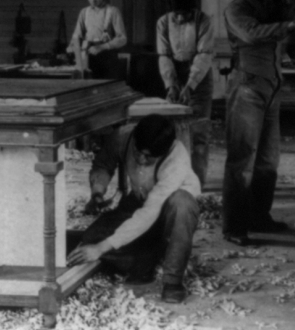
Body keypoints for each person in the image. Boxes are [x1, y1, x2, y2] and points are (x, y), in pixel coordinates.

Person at [222, 0, 295, 246]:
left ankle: (259, 216)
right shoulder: (237, 8)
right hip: (247, 88)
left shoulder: (276, 5)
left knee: (268, 161)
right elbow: (253, 34)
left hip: (272, 87)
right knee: (242, 160)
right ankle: (234, 226)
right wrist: (293, 26)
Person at [67, 114, 200, 304]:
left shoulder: (176, 160)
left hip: (169, 209)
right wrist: (97, 192)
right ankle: (152, 250)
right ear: (135, 138)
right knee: (90, 238)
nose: (142, 160)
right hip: (140, 199)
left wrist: (101, 248)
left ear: (164, 151)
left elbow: (149, 213)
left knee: (182, 204)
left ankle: (173, 280)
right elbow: (103, 163)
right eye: (139, 153)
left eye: (150, 158)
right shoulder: (123, 136)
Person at [156, 0, 215, 187]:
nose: (180, 17)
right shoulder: (163, 22)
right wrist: (171, 84)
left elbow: (205, 54)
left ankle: (197, 182)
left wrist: (191, 85)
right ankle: (176, 178)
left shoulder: (204, 21)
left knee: (198, 130)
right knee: (173, 129)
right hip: (175, 70)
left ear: (193, 10)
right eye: (176, 14)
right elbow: (164, 55)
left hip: (200, 72)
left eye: (185, 13)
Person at [69, 0, 127, 79]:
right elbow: (77, 35)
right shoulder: (84, 12)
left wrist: (102, 47)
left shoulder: (112, 11)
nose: (93, 0)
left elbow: (122, 39)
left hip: (107, 58)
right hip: (88, 58)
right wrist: (72, 46)